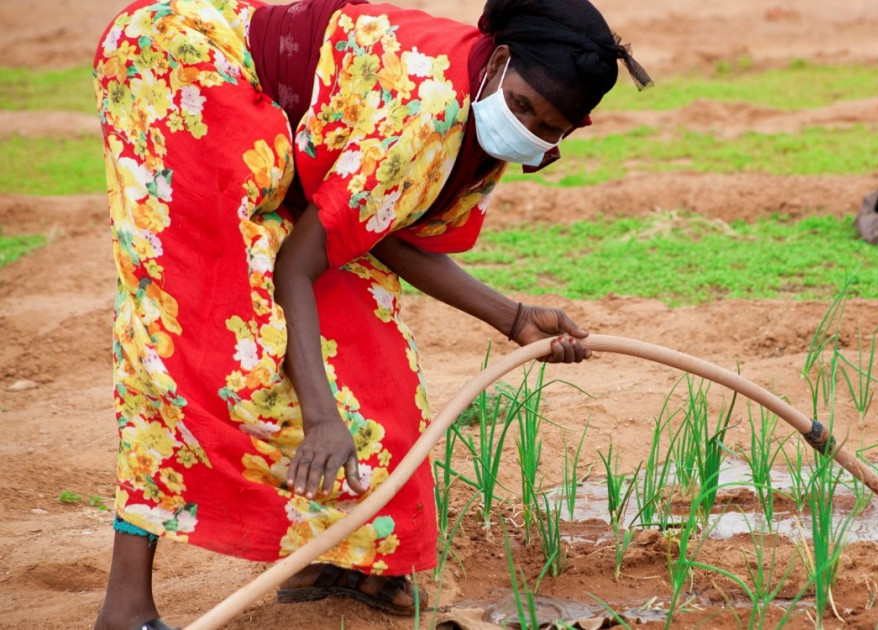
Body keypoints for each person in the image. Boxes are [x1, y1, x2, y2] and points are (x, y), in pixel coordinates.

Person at [91, 0, 651, 628]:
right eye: (522, 106)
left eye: (550, 127)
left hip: (279, 138)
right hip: (179, 68)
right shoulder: (431, 108)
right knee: (201, 338)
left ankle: (340, 562)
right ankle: (125, 606)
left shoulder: (484, 120)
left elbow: (376, 225)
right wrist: (321, 417)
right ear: (497, 62)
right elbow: (297, 265)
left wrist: (515, 316)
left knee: (372, 348)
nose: (529, 129)